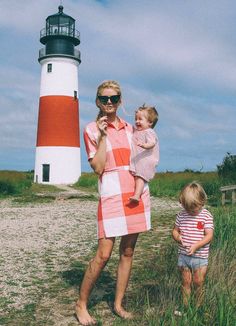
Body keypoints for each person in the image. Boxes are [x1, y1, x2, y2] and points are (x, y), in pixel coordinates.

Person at [75, 81, 152, 325]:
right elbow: (98, 167)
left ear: (120, 101)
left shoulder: (132, 128)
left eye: (114, 98)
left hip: (134, 193)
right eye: (105, 98)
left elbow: (145, 157)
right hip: (110, 193)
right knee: (103, 255)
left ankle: (118, 304)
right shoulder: (90, 129)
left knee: (128, 252)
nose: (110, 102)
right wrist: (103, 136)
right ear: (97, 101)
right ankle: (81, 304)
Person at [172, 182, 214, 316]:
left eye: (193, 208)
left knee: (198, 282)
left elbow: (209, 236)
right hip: (184, 256)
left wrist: (196, 245)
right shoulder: (181, 215)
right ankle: (185, 308)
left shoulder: (206, 215)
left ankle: (198, 309)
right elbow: (175, 231)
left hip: (200, 257)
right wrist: (178, 237)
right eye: (187, 208)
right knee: (185, 283)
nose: (190, 211)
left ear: (202, 202)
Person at [129, 105, 159, 202]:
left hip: (146, 160)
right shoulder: (139, 131)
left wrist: (144, 145)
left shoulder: (149, 132)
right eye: (136, 119)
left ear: (150, 122)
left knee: (140, 177)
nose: (137, 121)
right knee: (137, 176)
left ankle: (137, 195)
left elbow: (152, 143)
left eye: (140, 119)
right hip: (140, 159)